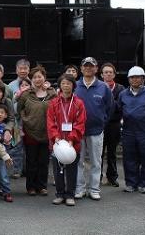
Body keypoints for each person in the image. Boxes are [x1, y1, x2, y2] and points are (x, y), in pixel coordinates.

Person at [74, 57, 113, 201]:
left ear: (96, 69)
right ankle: (79, 189)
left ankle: (94, 189)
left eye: (92, 66)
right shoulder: (75, 86)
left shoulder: (104, 87)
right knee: (78, 161)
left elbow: (110, 108)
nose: (88, 68)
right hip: (78, 131)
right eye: (86, 66)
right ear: (81, 68)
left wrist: (102, 122)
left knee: (96, 162)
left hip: (96, 131)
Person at [119, 66, 145, 194]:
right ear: (129, 79)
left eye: (138, 77)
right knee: (129, 158)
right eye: (132, 77)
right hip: (128, 131)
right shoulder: (123, 94)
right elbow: (119, 110)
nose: (135, 79)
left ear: (143, 79)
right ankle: (131, 183)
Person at [46, 74, 86, 206]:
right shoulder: (53, 103)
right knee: (57, 170)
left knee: (71, 170)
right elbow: (50, 122)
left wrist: (72, 139)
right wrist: (55, 136)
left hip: (72, 143)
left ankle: (70, 194)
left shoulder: (78, 103)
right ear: (60, 85)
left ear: (73, 86)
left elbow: (81, 123)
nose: (66, 85)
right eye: (63, 83)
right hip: (57, 142)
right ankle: (59, 194)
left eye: (68, 83)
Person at [17, 65, 57, 196]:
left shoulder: (52, 93)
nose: (37, 79)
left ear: (44, 77)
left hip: (47, 132)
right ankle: (31, 187)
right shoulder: (26, 94)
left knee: (44, 161)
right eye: (34, 77)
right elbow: (19, 109)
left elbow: (57, 109)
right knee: (31, 161)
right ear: (31, 79)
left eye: (40, 76)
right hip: (30, 132)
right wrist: (26, 119)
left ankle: (42, 186)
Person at [100, 62, 125, 187]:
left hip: (114, 124)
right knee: (99, 153)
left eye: (110, 72)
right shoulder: (98, 87)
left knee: (112, 152)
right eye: (106, 72)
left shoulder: (120, 89)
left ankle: (112, 177)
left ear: (114, 74)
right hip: (101, 124)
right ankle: (97, 177)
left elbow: (121, 106)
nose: (108, 74)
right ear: (102, 74)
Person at [0, 104, 16, 202]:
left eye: (2, 113)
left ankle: (7, 192)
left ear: (6, 115)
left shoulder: (6, 128)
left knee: (3, 174)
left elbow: (8, 142)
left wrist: (0, 138)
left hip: (2, 155)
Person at [10, 78, 31, 178]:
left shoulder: (33, 96)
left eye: (27, 85)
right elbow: (14, 110)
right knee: (17, 149)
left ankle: (27, 170)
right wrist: (18, 97)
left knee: (29, 150)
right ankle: (17, 170)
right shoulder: (16, 96)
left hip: (31, 126)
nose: (25, 87)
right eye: (22, 85)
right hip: (19, 126)